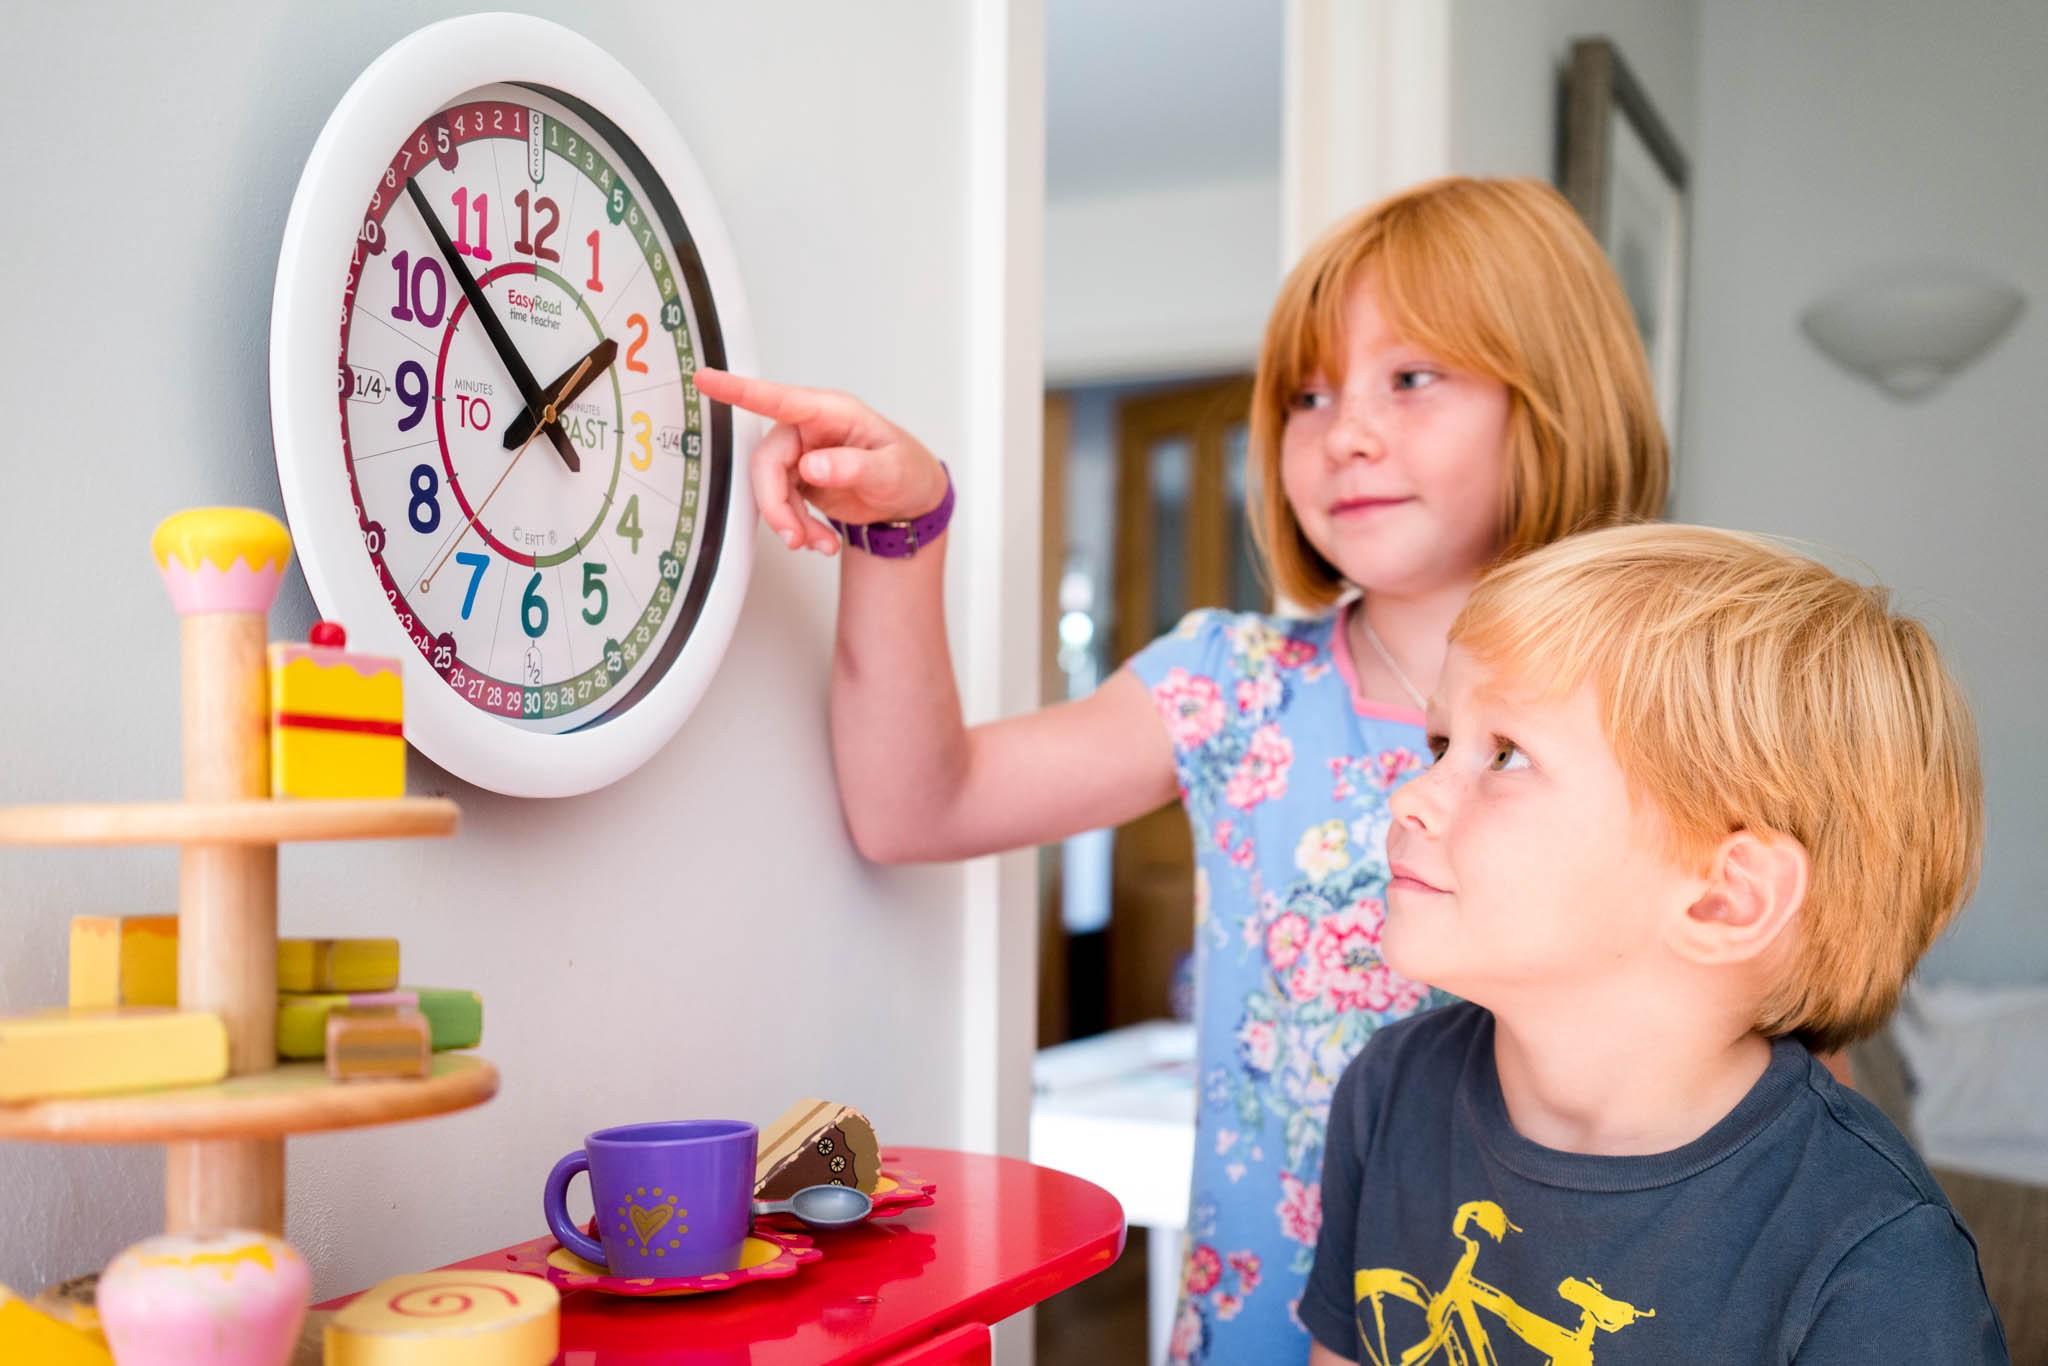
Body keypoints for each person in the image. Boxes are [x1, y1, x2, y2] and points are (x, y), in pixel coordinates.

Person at [693, 176, 1666, 1364]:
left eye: (1411, 378)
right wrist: (902, 534)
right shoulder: (1233, 681)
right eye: (1307, 395)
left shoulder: (1654, 711)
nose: (1344, 430)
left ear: (1554, 398)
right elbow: (914, 803)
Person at [1304, 523, 2007, 1365]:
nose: (1409, 796)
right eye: (1439, 744)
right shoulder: (1393, 1089)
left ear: (1725, 898)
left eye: (1508, 756)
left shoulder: (1877, 1259)